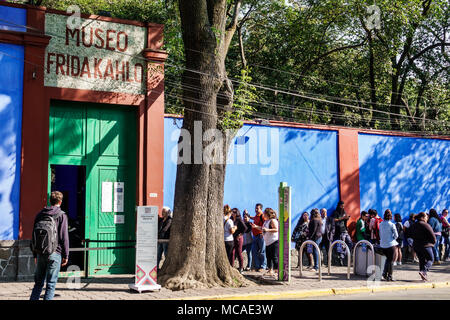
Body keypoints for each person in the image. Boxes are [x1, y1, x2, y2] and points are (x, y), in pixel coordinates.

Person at [30, 191, 69, 300]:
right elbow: (64, 237)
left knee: (38, 284)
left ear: (50, 200)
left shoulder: (40, 214)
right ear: (60, 202)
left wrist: (35, 255)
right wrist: (66, 255)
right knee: (51, 285)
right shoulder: (62, 216)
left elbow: (34, 235)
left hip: (40, 252)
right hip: (54, 253)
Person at [410, 212, 436, 281]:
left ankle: (423, 277)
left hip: (416, 246)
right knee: (431, 259)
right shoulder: (425, 225)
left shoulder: (413, 225)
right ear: (423, 217)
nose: (427, 218)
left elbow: (410, 234)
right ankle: (423, 271)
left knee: (422, 261)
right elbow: (432, 235)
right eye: (426, 217)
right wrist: (433, 242)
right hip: (426, 246)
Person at [331, 201, 353, 266]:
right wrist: (342, 218)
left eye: (343, 206)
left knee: (350, 244)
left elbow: (344, 219)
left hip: (345, 230)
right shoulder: (335, 212)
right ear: (338, 206)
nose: (342, 207)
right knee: (341, 245)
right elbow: (334, 220)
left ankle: (344, 254)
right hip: (339, 231)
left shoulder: (344, 212)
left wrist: (347, 218)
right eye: (341, 206)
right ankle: (341, 258)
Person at [379, 209, 398, 281]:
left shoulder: (380, 224)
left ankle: (384, 273)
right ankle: (389, 276)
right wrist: (392, 237)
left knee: (388, 259)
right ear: (390, 216)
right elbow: (396, 235)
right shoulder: (392, 225)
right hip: (391, 245)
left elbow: (380, 234)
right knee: (391, 261)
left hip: (383, 245)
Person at [262, 208, 279, 277]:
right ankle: (270, 270)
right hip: (268, 242)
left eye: (264, 213)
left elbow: (276, 229)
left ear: (267, 214)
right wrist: (256, 227)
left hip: (273, 241)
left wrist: (267, 230)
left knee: (274, 257)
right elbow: (263, 229)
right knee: (268, 257)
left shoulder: (273, 221)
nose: (263, 215)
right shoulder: (266, 221)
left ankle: (277, 271)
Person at [250, 203, 267, 271]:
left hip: (260, 236)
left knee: (262, 252)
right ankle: (257, 266)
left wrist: (263, 233)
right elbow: (253, 218)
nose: (256, 210)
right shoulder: (256, 216)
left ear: (261, 209)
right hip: (255, 236)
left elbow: (265, 226)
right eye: (255, 208)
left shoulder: (262, 216)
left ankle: (263, 267)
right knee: (254, 251)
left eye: (257, 208)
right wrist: (248, 215)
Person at [231, 208, 247, 273]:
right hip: (232, 238)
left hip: (238, 238)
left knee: (239, 252)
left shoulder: (239, 220)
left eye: (234, 212)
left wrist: (240, 235)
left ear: (237, 213)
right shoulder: (231, 219)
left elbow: (245, 228)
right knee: (232, 252)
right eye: (232, 212)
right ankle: (231, 266)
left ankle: (241, 268)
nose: (233, 213)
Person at [157, 206, 172, 270]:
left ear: (168, 212)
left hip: (165, 239)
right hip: (160, 240)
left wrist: (159, 232)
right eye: (162, 211)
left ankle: (167, 268)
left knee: (166, 254)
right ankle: (156, 267)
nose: (162, 213)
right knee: (158, 254)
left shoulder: (169, 220)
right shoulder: (161, 220)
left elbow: (165, 229)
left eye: (164, 212)